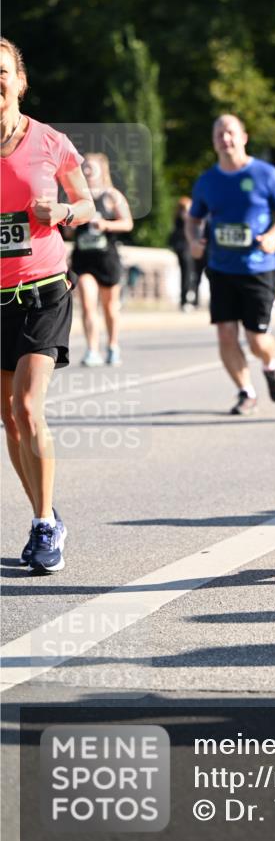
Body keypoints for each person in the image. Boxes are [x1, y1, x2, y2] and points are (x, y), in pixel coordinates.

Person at [0, 38, 95, 573]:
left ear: (20, 81)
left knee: (28, 406)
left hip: (43, 290)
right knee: (11, 421)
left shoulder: (49, 141)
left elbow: (86, 202)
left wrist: (62, 212)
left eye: (2, 71)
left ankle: (42, 525)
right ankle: (47, 513)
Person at [186, 113, 275, 414]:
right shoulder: (207, 180)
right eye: (219, 134)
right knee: (225, 333)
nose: (225, 138)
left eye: (231, 132)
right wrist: (194, 240)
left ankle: (271, 365)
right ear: (213, 142)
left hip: (258, 268)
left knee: (257, 340)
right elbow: (194, 218)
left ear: (244, 137)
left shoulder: (265, 174)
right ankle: (246, 392)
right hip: (221, 268)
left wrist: (273, 236)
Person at [69, 152, 134, 366]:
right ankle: (92, 349)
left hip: (107, 259)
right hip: (83, 259)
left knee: (110, 307)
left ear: (102, 169)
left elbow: (127, 223)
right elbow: (67, 232)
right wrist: (70, 224)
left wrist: (106, 225)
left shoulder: (112, 196)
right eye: (84, 167)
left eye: (91, 167)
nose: (87, 170)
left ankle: (113, 346)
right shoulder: (76, 197)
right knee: (88, 304)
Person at [169, 195, 206, 310]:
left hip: (192, 248)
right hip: (184, 249)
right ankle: (185, 300)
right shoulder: (182, 218)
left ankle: (195, 300)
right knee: (186, 273)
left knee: (196, 274)